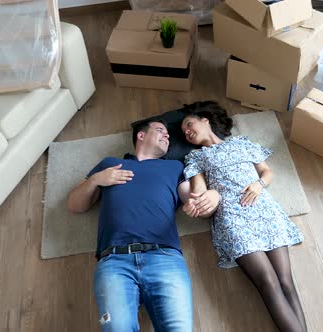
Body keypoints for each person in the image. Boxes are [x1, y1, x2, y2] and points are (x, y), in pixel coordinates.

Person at [67, 118, 219, 332]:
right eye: (160, 131)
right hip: (115, 262)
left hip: (164, 258)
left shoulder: (174, 166)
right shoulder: (110, 164)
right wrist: (96, 180)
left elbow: (195, 200)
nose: (167, 136)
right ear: (141, 135)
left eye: (168, 134)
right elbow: (75, 205)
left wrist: (209, 198)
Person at [180, 106, 308, 332]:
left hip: (264, 210)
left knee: (286, 282)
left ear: (205, 120)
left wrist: (259, 185)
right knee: (268, 282)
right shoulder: (196, 157)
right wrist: (198, 203)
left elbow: (267, 173)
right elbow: (200, 194)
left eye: (189, 125)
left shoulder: (242, 142)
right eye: (184, 133)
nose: (187, 132)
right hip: (233, 217)